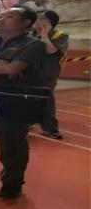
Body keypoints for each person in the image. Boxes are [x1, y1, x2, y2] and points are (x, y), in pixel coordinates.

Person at [0, 7, 46, 199]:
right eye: (1, 16)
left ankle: (12, 183)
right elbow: (1, 66)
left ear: (26, 23)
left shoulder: (34, 45)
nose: (2, 19)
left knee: (12, 146)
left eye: (10, 16)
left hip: (13, 103)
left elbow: (11, 69)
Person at [34, 10, 69, 140]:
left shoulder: (60, 35)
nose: (37, 22)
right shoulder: (30, 34)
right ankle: (26, 122)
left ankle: (50, 128)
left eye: (41, 19)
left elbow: (51, 51)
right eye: (37, 19)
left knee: (46, 99)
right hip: (30, 70)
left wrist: (44, 36)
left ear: (50, 23)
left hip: (47, 72)